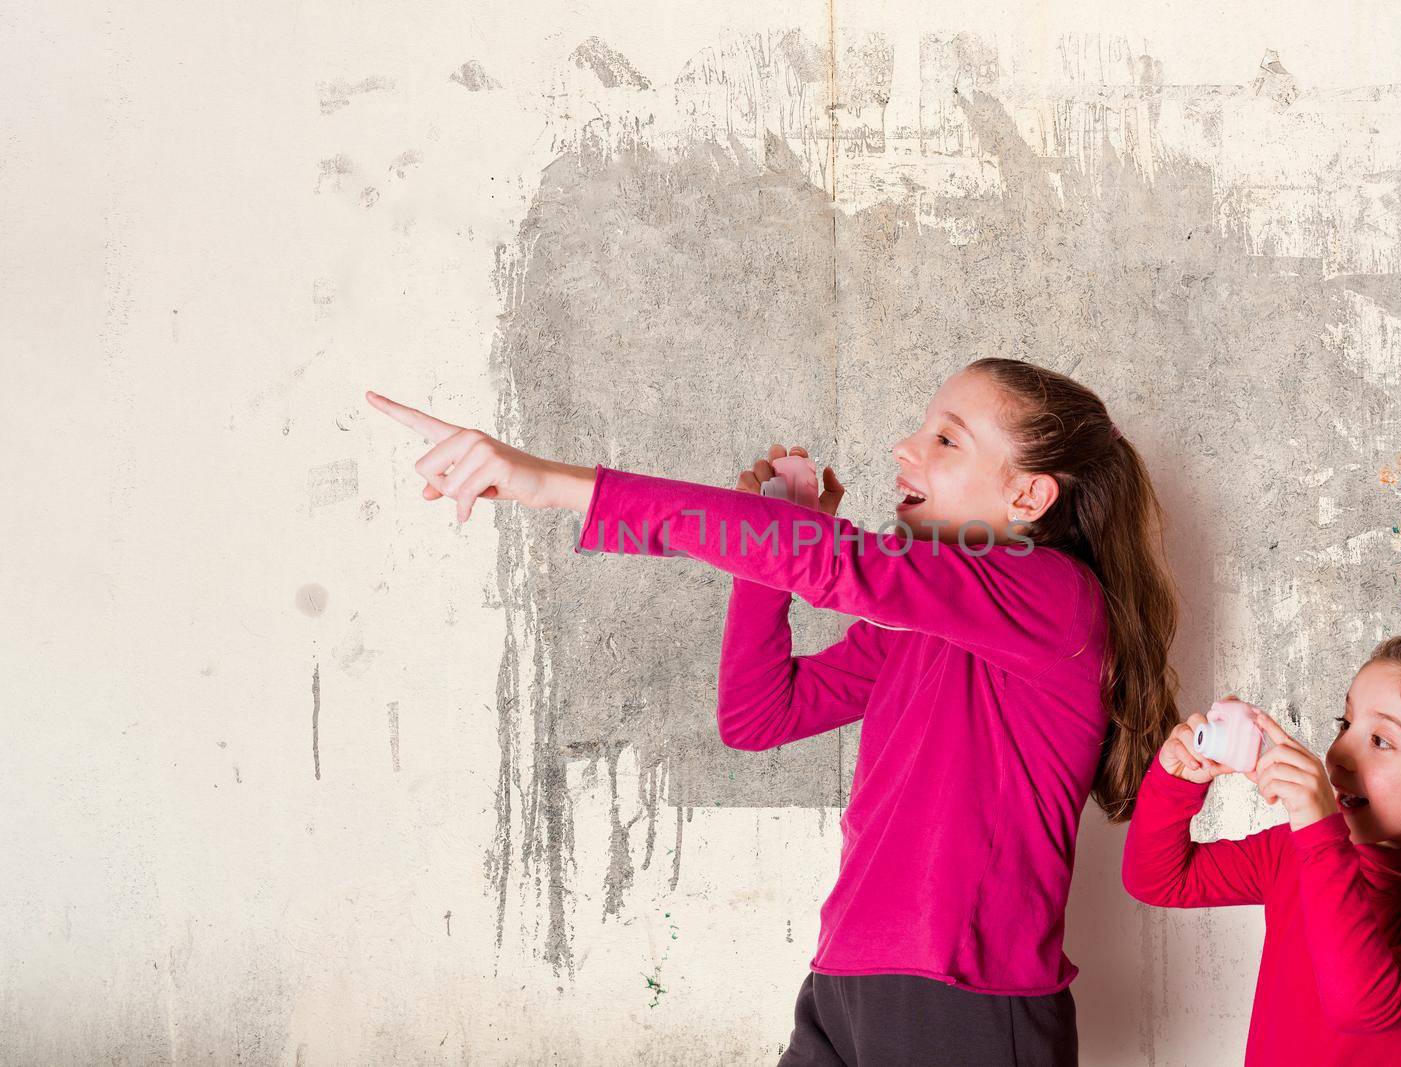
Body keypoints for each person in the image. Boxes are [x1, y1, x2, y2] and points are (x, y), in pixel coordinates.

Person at [367, 356, 1182, 1065]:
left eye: (945, 438)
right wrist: (774, 550)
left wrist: (553, 483)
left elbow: (846, 565)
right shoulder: (923, 630)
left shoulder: (1055, 599)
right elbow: (759, 713)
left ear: (1030, 495)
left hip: (961, 995)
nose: (905, 448)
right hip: (845, 980)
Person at [1121, 626, 1401, 1066]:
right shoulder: (1297, 853)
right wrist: (1173, 783)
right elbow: (1158, 881)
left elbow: (1362, 1004)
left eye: (1381, 741)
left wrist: (1319, 833)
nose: (1337, 754)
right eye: (1347, 723)